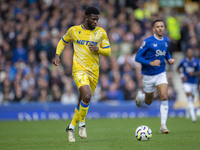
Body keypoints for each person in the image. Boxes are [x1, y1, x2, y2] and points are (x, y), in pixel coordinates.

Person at [52, 7, 111, 142]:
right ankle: (82, 125)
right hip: (79, 69)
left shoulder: (101, 33)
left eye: (97, 19)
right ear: (86, 18)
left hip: (94, 71)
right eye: (93, 19)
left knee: (82, 101)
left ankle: (71, 127)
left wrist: (99, 49)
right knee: (87, 95)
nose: (96, 22)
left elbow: (108, 51)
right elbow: (63, 41)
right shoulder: (74, 30)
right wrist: (57, 55)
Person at [135, 19, 175, 134]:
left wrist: (169, 59)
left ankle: (163, 125)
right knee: (148, 101)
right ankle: (141, 97)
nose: (160, 28)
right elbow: (137, 58)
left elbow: (166, 52)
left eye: (162, 26)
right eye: (157, 26)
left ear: (164, 28)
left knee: (163, 96)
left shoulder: (166, 41)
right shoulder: (147, 42)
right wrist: (150, 63)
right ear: (153, 29)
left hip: (161, 73)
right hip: (148, 76)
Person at [177, 48, 200, 122]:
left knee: (191, 99)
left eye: (191, 52)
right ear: (187, 53)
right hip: (186, 82)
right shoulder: (183, 61)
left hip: (193, 82)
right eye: (188, 52)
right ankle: (193, 117)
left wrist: (194, 74)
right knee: (189, 97)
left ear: (192, 54)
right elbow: (177, 69)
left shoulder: (196, 61)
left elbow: (199, 71)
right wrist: (182, 76)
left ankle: (187, 110)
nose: (189, 54)